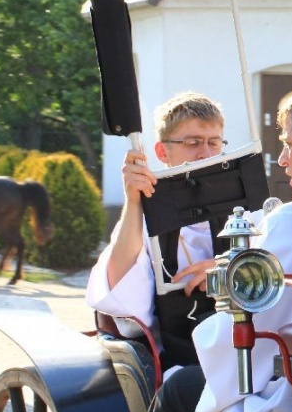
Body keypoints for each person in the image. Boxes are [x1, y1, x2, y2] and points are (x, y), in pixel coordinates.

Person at [136, 78, 292, 412]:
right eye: (193, 143)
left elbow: (254, 331)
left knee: (180, 389)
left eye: (289, 145)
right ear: (163, 151)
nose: (281, 159)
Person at [86, 91, 243, 374]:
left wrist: (230, 270)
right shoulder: (146, 218)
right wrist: (134, 201)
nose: (205, 153)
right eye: (193, 142)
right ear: (162, 152)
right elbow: (120, 288)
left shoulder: (246, 211)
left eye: (214, 142)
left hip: (245, 351)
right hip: (177, 361)